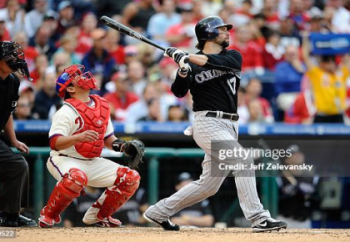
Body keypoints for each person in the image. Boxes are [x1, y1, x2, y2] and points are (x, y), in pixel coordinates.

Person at [143, 16, 287, 232]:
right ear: (208, 33)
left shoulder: (232, 56)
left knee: (208, 186)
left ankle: (158, 212)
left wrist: (186, 55)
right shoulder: (191, 62)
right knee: (243, 161)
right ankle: (258, 218)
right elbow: (179, 91)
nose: (228, 32)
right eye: (221, 29)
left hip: (230, 125)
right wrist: (183, 69)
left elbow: (215, 62)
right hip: (207, 123)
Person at [38, 64, 145, 228]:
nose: (84, 77)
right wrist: (78, 137)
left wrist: (124, 147)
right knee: (76, 178)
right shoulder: (65, 111)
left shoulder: (102, 106)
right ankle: (49, 215)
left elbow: (109, 140)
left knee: (130, 178)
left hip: (92, 161)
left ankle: (98, 216)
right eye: (77, 77)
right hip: (66, 159)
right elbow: (55, 143)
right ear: (71, 89)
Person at [0, 41, 37, 227]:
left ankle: (10, 214)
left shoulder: (13, 81)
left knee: (18, 165)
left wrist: (13, 139)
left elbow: (8, 112)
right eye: (9, 56)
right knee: (15, 164)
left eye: (15, 55)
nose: (15, 59)